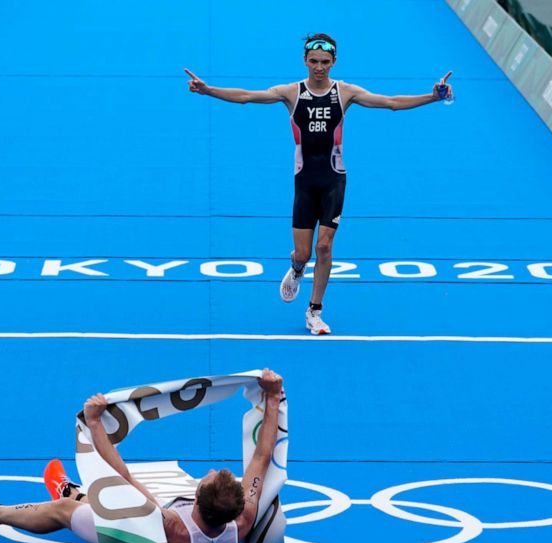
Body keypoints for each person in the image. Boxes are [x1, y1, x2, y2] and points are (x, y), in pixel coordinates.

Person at [185, 34, 452, 335]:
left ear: (334, 62)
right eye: (314, 61)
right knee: (304, 253)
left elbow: (390, 103)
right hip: (304, 182)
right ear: (305, 61)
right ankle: (297, 267)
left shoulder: (346, 93)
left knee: (324, 246)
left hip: (333, 179)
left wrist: (432, 97)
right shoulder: (291, 92)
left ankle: (314, 311)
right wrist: (208, 91)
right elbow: (247, 96)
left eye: (325, 62)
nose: (319, 67)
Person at [0, 368, 285, 543]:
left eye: (208, 478)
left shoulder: (169, 526)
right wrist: (272, 398)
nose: (210, 470)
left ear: (198, 496)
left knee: (66, 513)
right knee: (104, 499)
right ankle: (75, 492)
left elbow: (122, 473)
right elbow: (262, 454)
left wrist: (95, 422)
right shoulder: (243, 517)